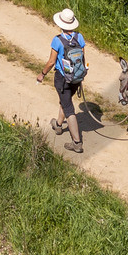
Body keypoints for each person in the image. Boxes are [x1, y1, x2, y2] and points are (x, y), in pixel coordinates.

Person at [36, 8, 87, 153]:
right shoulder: (80, 37)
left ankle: (76, 142)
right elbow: (83, 58)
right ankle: (58, 125)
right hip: (76, 77)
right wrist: (81, 73)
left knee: (69, 109)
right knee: (65, 101)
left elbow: (51, 62)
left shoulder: (57, 40)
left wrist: (42, 74)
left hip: (62, 78)